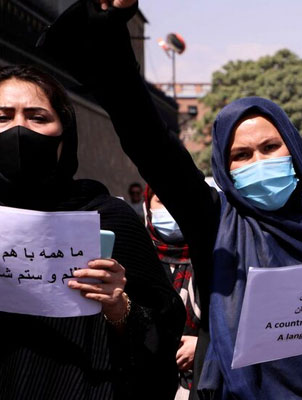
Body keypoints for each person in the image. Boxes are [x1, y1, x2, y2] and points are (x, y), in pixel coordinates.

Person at [41, 1, 302, 398]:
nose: (258, 161)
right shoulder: (217, 225)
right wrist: (107, 25)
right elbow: (151, 142)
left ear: (295, 153)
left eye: (269, 147)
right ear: (225, 171)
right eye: (241, 156)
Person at [0, 65, 184, 399]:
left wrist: (119, 307)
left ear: (64, 131)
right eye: (3, 116)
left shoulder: (105, 217)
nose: (18, 129)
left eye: (37, 117)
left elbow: (163, 327)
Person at [145, 187, 201, 400]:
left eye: (177, 200)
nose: (170, 208)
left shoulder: (215, 254)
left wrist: (204, 347)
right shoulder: (135, 257)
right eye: (161, 200)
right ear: (147, 207)